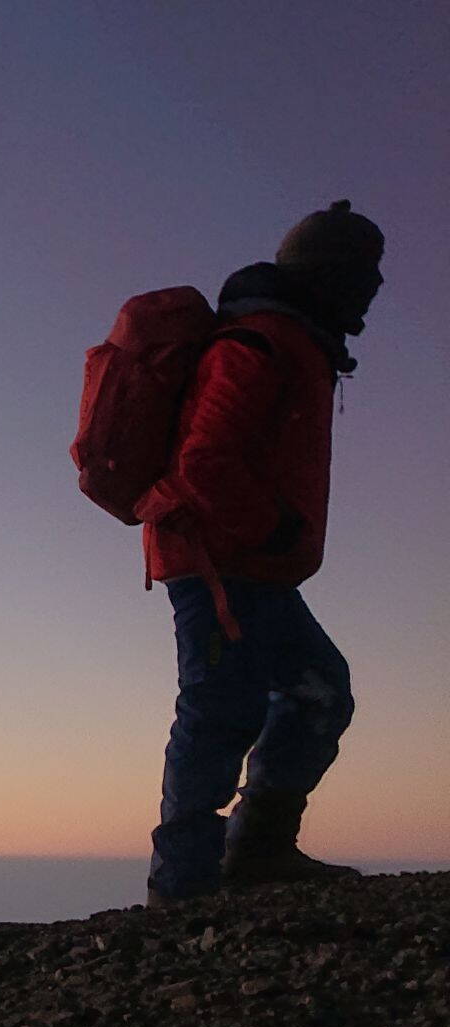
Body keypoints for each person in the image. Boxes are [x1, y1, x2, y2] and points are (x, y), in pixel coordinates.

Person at [141, 202, 383, 904]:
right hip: (219, 560)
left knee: (317, 690)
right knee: (220, 707)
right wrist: (271, 525)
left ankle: (255, 850)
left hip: (247, 563)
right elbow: (205, 457)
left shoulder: (294, 340)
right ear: (330, 272)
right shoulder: (261, 342)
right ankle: (183, 884)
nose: (372, 289)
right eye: (365, 273)